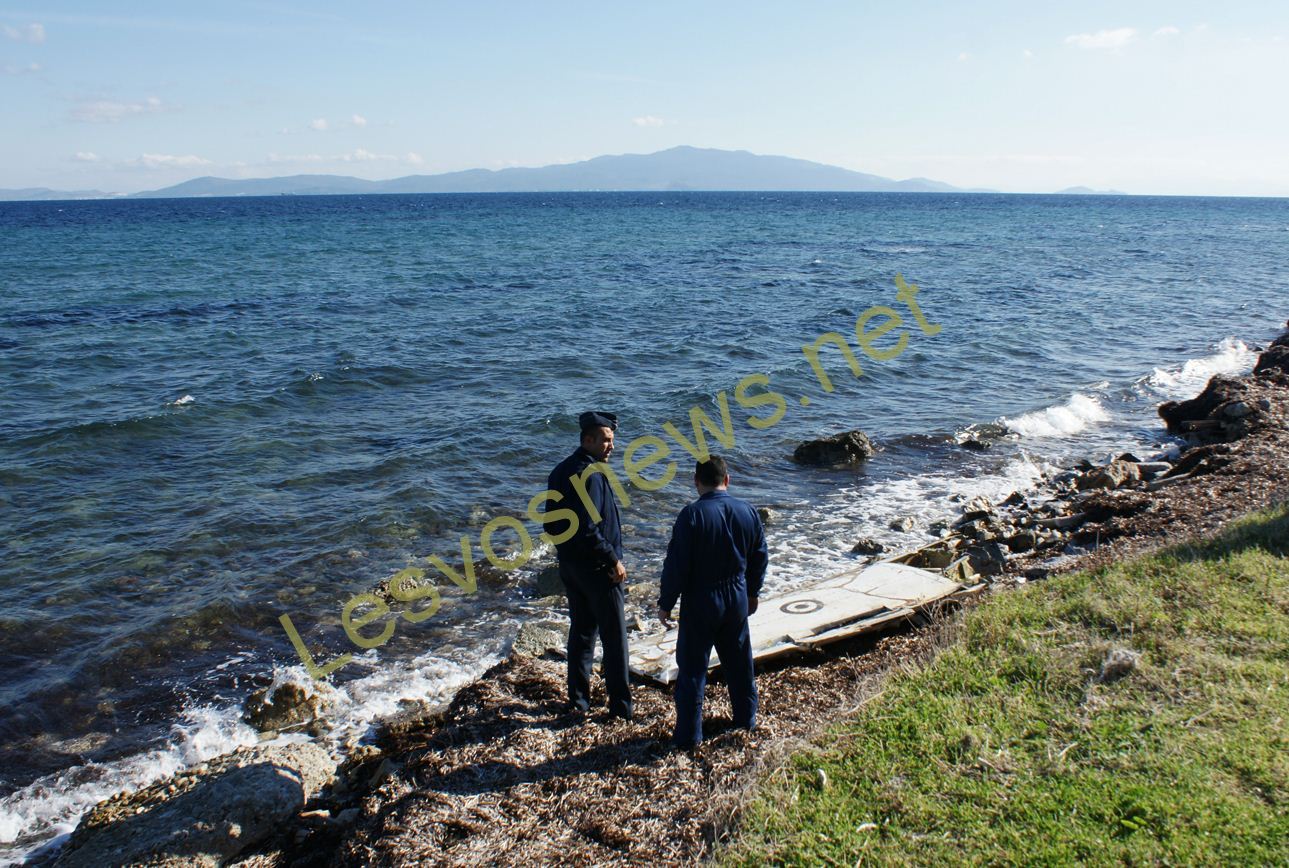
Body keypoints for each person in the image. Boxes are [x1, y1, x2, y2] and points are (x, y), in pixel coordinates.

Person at [658, 455, 768, 749]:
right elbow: (760, 555)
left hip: (701, 600)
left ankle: (689, 737)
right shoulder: (747, 511)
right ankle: (746, 719)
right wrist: (753, 591)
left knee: (693, 669)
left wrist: (666, 602)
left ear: (696, 482)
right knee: (739, 663)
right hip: (736, 595)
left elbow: (676, 565)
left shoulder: (691, 516)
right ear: (727, 480)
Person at [545, 410, 633, 719]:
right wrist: (613, 560)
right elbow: (589, 528)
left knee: (581, 634)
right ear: (588, 440)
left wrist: (566, 556)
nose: (612, 446)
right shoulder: (591, 475)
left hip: (571, 567)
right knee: (615, 640)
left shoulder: (560, 471)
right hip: (599, 570)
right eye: (606, 441)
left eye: (612, 440)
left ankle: (579, 701)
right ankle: (621, 708)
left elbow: (551, 524)